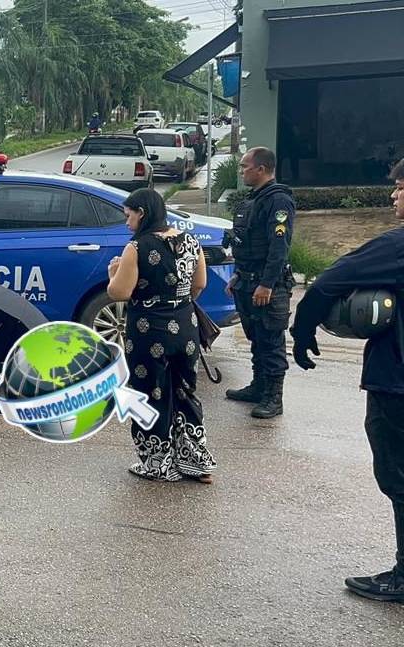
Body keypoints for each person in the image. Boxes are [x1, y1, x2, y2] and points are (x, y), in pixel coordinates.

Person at [288, 159, 404, 602]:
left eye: (401, 187)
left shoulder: (396, 247)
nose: (394, 195)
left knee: (399, 478)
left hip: (397, 382)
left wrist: (302, 334)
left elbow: (328, 282)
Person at [107, 188, 215, 483]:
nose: (127, 222)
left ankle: (156, 463)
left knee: (148, 392)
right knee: (185, 390)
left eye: (128, 215)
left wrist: (113, 272)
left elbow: (120, 292)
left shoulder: (137, 248)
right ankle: (196, 462)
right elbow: (199, 284)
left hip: (148, 331)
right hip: (186, 328)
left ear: (141, 212)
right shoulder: (191, 241)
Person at [224, 147, 296, 419]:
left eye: (245, 166)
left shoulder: (278, 202)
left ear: (261, 169)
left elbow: (279, 247)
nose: (242, 171)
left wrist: (267, 284)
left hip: (269, 286)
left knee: (271, 341)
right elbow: (249, 245)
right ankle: (258, 386)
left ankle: (273, 398)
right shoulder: (254, 200)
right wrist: (238, 275)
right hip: (247, 281)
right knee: (256, 338)